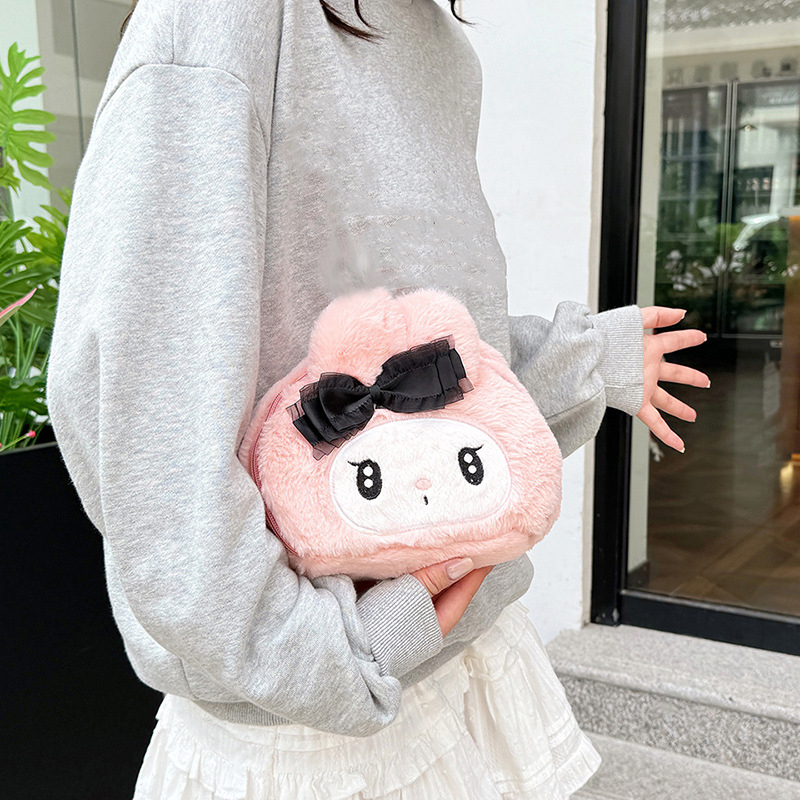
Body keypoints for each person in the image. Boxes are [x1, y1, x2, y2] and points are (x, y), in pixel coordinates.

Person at [46, 0, 709, 797]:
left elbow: (421, 356)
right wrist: (334, 651)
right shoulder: (221, 22)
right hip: (311, 730)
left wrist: (585, 363)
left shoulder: (434, 40)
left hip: (468, 653)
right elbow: (144, 416)